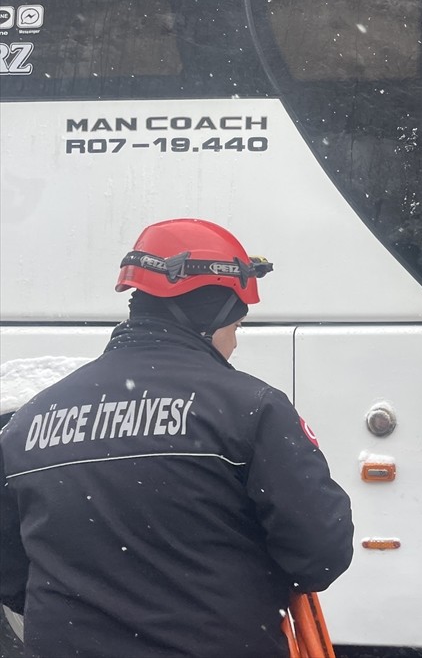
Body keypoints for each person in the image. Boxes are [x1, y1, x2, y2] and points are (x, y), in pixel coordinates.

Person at [0, 219, 354, 658]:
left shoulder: (30, 421)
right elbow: (319, 554)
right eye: (236, 327)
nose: (234, 345)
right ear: (213, 315)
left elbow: (11, 573)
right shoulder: (250, 407)